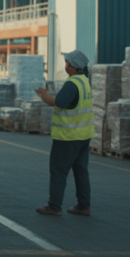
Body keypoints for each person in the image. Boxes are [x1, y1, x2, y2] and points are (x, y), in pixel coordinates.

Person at [34, 50, 94, 216]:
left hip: (68, 136)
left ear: (74, 66)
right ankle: (84, 205)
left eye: (67, 62)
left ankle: (54, 206)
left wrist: (46, 96)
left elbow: (59, 102)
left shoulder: (72, 83)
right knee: (81, 171)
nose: (65, 65)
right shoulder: (84, 81)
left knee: (58, 170)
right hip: (83, 135)